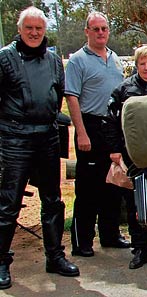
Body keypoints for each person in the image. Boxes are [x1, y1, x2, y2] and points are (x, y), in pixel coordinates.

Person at [0, 7, 80, 289]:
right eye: (29, 28)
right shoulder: (4, 57)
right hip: (14, 137)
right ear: (20, 29)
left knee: (53, 200)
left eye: (39, 29)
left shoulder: (53, 59)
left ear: (45, 31)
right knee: (8, 204)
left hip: (47, 135)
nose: (34, 33)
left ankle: (55, 256)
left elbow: (57, 93)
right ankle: (1, 262)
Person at [65, 11, 130, 258]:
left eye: (104, 28)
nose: (101, 32)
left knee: (112, 183)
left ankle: (110, 234)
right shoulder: (78, 60)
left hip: (111, 127)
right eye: (96, 29)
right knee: (88, 188)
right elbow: (72, 97)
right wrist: (81, 133)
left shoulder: (114, 58)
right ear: (87, 32)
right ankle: (82, 242)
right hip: (89, 126)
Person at [103, 45, 147, 269]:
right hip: (131, 154)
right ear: (136, 65)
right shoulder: (123, 90)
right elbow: (110, 121)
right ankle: (140, 249)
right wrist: (114, 150)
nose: (146, 67)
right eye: (142, 63)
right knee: (135, 201)